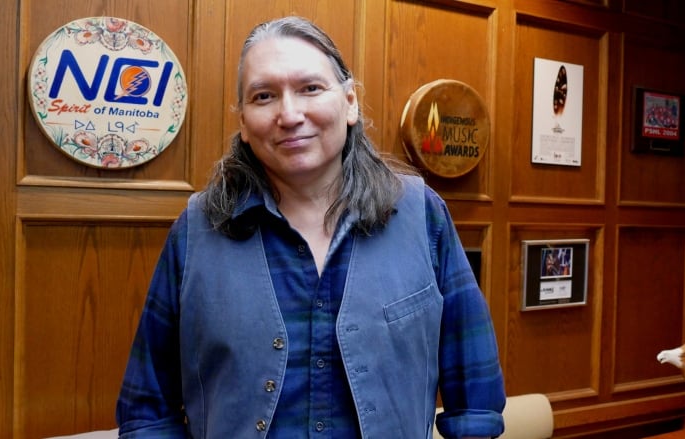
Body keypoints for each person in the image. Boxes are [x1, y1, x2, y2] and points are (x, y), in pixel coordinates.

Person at [116, 16, 505, 439]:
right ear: (244, 123)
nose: (289, 114)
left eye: (310, 88)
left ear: (350, 101)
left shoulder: (421, 214)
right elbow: (147, 410)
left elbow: (475, 398)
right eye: (264, 96)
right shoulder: (197, 229)